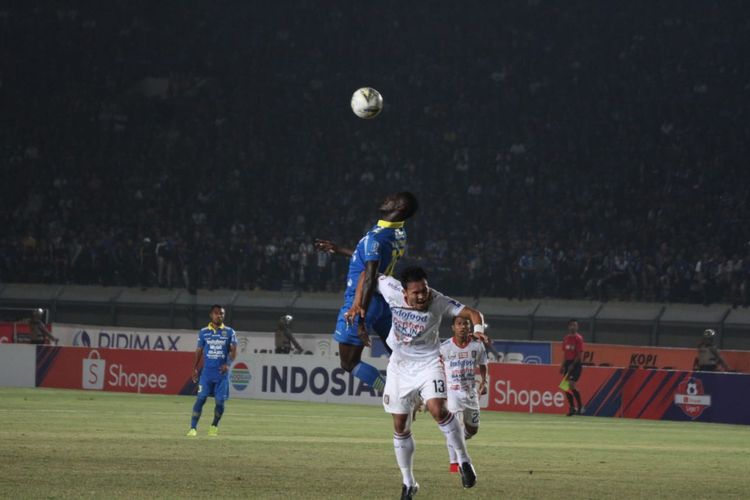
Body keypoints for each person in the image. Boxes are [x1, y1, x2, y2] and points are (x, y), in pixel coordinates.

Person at [361, 266, 485, 497]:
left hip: (429, 363)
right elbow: (367, 269)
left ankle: (464, 461)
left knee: (438, 408)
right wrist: (356, 305)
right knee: (400, 425)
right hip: (399, 366)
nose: (421, 296)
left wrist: (478, 330)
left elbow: (473, 313)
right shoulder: (390, 288)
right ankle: (409, 483)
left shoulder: (438, 300)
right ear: (404, 292)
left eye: (424, 290)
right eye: (416, 292)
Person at [314, 191, 418, 392]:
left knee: (349, 363)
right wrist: (340, 250)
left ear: (400, 208)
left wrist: (360, 318)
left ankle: (393, 393)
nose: (386, 199)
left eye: (392, 199)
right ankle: (423, 387)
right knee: (399, 355)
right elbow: (370, 258)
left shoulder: (377, 236)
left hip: (361, 301)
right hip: (382, 302)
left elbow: (369, 275)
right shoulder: (398, 232)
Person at [440, 316, 488, 474]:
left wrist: (484, 382)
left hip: (470, 392)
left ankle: (453, 440)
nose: (462, 327)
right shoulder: (445, 347)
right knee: (456, 426)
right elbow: (438, 369)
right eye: (459, 324)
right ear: (453, 327)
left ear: (470, 327)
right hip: (452, 392)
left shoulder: (477, 346)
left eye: (466, 324)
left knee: (473, 430)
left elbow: (483, 365)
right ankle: (456, 463)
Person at [187, 304, 237, 437]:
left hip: (221, 374)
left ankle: (214, 425)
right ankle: (193, 428)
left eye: (221, 313)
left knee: (220, 402)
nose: (219, 315)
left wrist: (228, 364)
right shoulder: (203, 332)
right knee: (201, 398)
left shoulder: (230, 332)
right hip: (207, 374)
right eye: (216, 313)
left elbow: (233, 351)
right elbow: (199, 350)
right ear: (211, 315)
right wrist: (194, 368)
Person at [560, 318, 584, 416]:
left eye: (575, 325)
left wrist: (572, 365)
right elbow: (565, 354)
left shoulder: (578, 338)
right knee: (565, 387)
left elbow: (579, 355)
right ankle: (572, 408)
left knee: (571, 384)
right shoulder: (566, 338)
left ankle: (580, 406)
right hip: (567, 363)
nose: (573, 327)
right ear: (568, 326)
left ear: (577, 327)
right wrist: (562, 366)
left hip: (576, 364)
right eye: (571, 325)